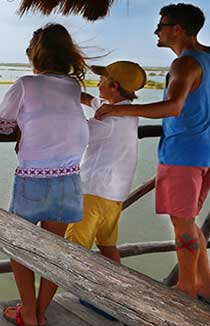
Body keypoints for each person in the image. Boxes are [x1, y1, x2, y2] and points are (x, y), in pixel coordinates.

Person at [96, 3, 210, 306]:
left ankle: (184, 289)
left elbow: (173, 107)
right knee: (189, 220)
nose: (156, 30)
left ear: (177, 29)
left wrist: (117, 109)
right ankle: (206, 287)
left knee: (182, 223)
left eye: (161, 24)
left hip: (183, 153)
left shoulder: (184, 64)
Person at [0, 23, 90, 326]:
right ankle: (41, 310)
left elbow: (1, 123)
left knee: (17, 246)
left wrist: (19, 130)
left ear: (35, 54)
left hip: (33, 177)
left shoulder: (26, 84)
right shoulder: (73, 87)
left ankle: (29, 311)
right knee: (54, 250)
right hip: (70, 177)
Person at [39, 61, 147, 310]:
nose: (97, 82)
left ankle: (46, 307)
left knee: (72, 251)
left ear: (114, 86)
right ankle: (121, 299)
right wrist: (65, 89)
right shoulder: (124, 111)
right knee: (108, 246)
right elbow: (90, 100)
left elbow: (76, 135)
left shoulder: (108, 121)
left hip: (93, 192)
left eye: (102, 79)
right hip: (114, 194)